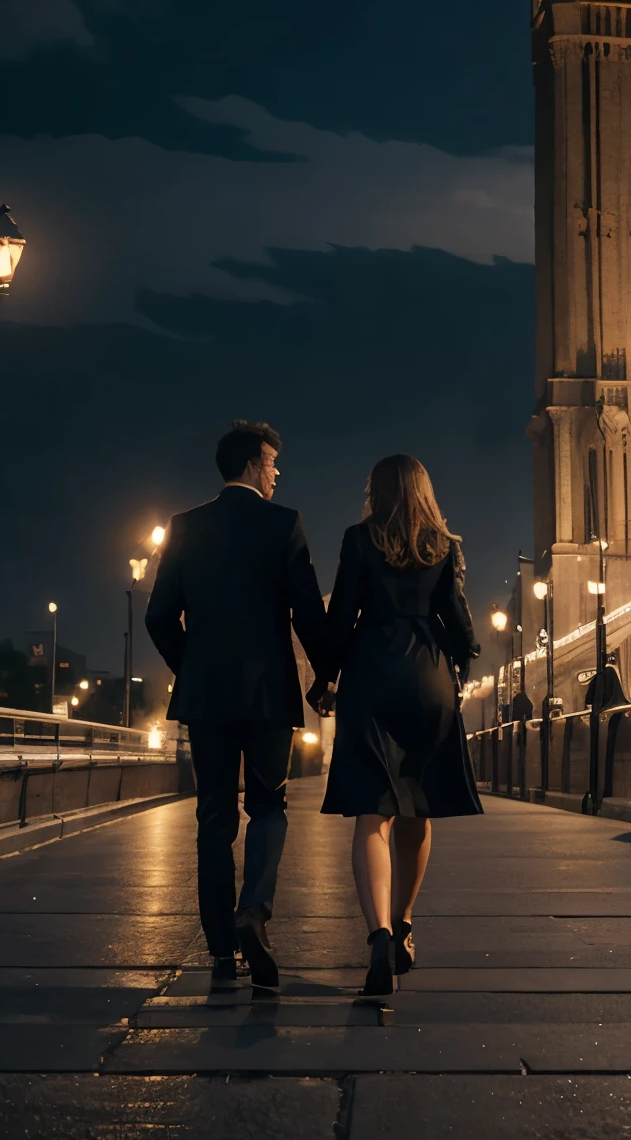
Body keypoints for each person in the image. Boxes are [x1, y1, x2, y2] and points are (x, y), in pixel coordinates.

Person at [145, 420, 332, 993]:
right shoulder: (284, 524)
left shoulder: (184, 526)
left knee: (214, 817)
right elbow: (305, 612)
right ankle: (254, 911)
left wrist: (193, 668)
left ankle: (221, 952)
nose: (277, 473)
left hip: (208, 698)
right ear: (253, 465)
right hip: (269, 693)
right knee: (270, 805)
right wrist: (326, 676)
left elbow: (157, 617)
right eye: (273, 462)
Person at [310, 454, 482, 998]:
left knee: (372, 813)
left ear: (376, 492)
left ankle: (379, 935)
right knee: (418, 808)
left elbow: (341, 621)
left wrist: (324, 677)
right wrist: (461, 662)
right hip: (428, 678)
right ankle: (405, 923)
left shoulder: (359, 540)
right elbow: (458, 622)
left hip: (372, 675)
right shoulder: (445, 546)